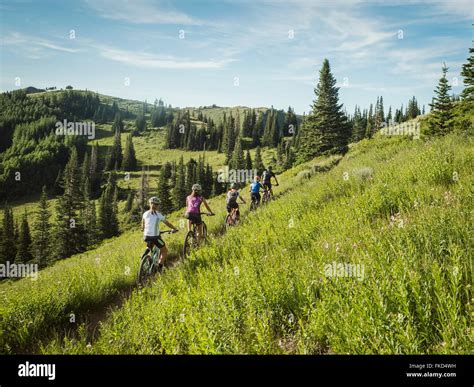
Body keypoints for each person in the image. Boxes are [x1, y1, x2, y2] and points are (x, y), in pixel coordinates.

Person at [141, 197, 179, 272]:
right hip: (155, 237)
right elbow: (167, 223)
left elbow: (142, 225)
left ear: (150, 204)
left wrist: (143, 229)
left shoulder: (145, 214)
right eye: (157, 204)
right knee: (164, 251)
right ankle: (160, 268)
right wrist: (174, 228)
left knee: (149, 246)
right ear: (157, 206)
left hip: (146, 236)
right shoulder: (158, 215)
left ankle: (144, 256)